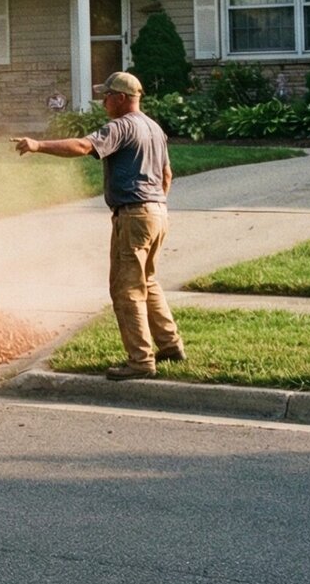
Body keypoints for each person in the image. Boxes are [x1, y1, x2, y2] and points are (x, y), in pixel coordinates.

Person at [11, 71, 185, 380]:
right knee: (149, 281)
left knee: (126, 289)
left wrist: (38, 145)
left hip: (134, 214)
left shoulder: (121, 127)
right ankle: (170, 346)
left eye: (106, 96)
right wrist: (155, 206)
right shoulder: (154, 129)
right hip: (157, 213)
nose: (103, 101)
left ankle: (141, 361)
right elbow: (167, 174)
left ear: (121, 98)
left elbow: (82, 146)